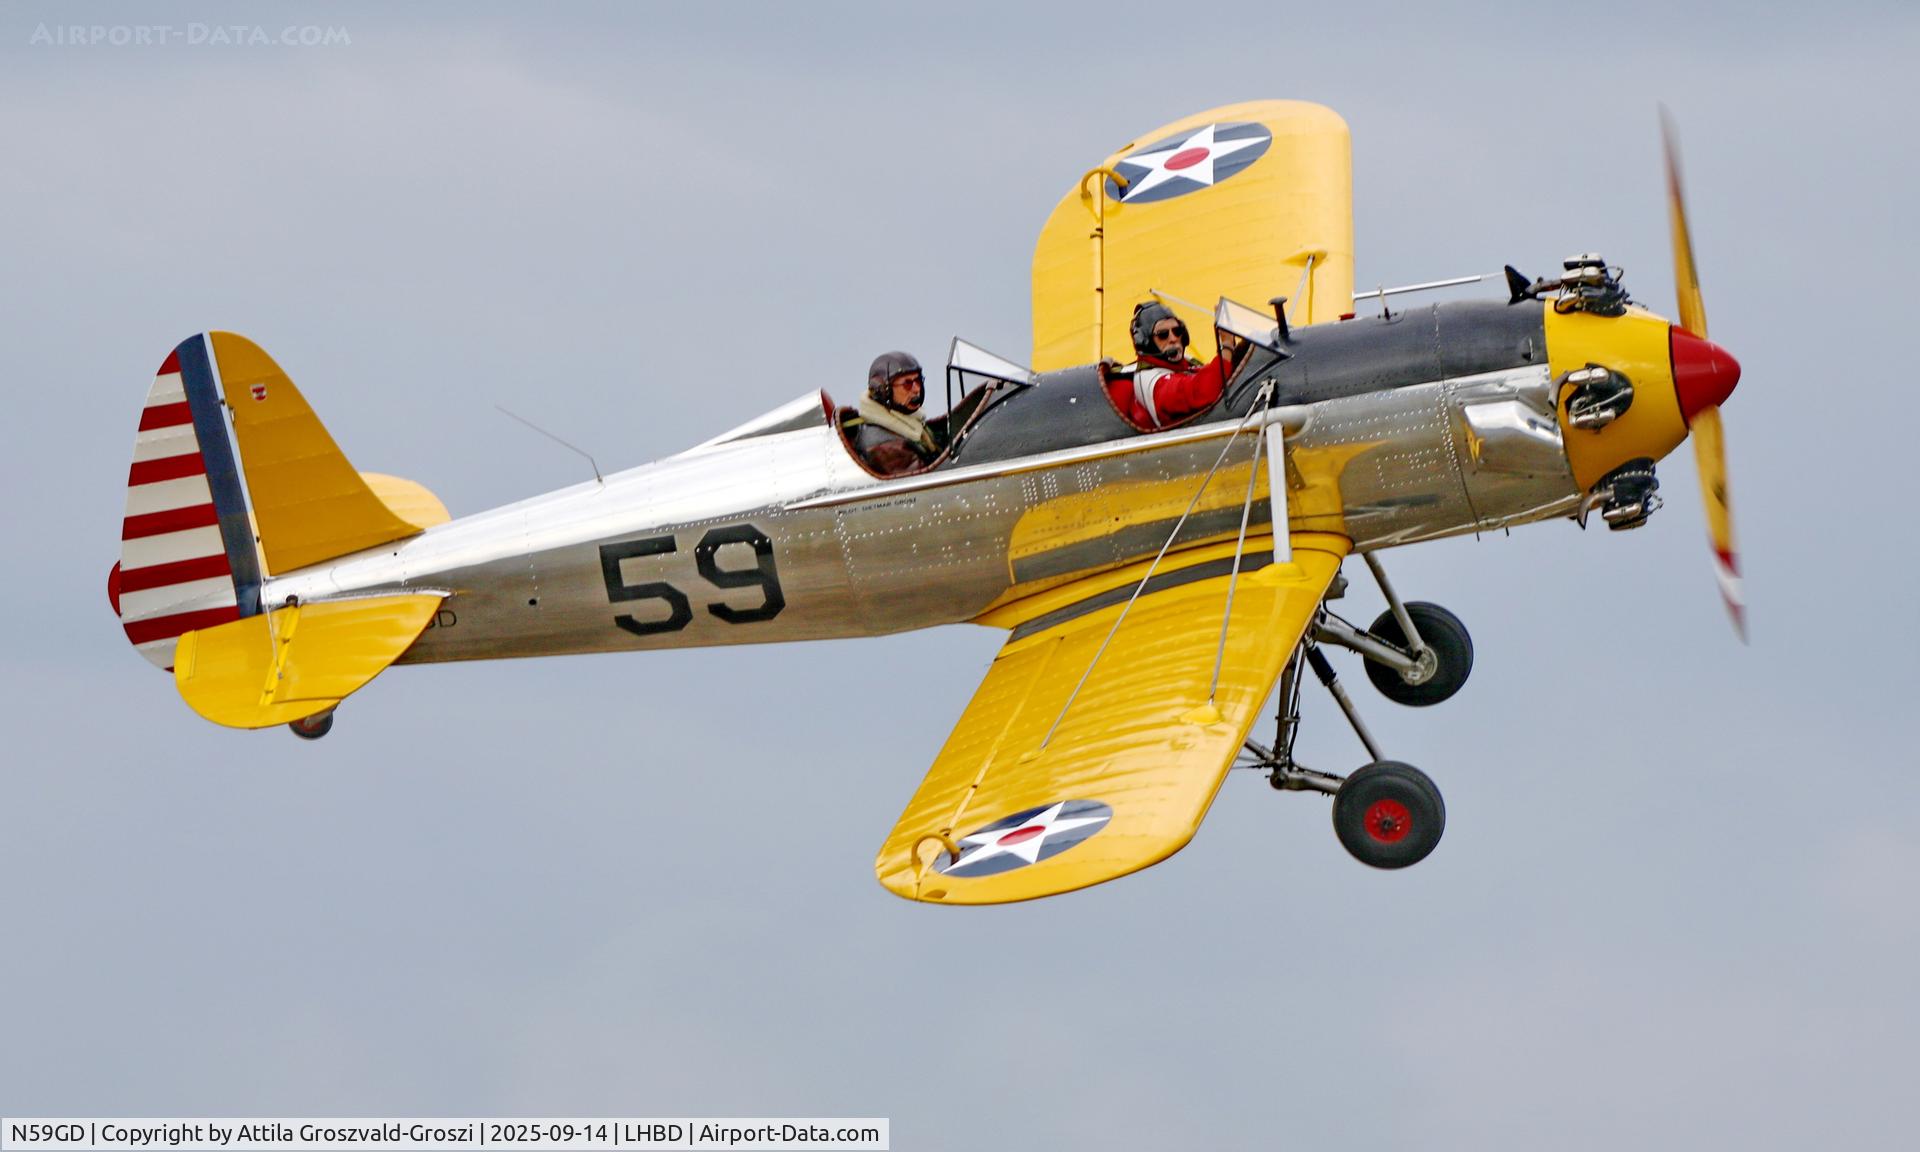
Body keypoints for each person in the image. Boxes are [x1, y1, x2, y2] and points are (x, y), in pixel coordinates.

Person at [1102, 301, 1246, 430]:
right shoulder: (1154, 382)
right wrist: (1226, 345)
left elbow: (1218, 374)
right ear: (1145, 342)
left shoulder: (1185, 363)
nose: (1173, 338)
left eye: (1177, 331)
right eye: (1163, 334)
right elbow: (1201, 390)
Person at [846, 351, 942, 476]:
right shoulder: (885, 446)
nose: (917, 389)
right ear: (883, 390)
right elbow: (928, 480)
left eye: (918, 380)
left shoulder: (911, 423)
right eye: (907, 384)